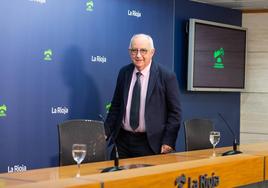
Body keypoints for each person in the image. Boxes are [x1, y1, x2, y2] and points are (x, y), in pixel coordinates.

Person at [104, 33, 181, 159]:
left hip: (151, 143)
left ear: (152, 52)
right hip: (122, 141)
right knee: (117, 177)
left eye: (143, 51)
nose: (138, 55)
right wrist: (106, 132)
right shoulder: (124, 73)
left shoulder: (166, 76)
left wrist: (168, 140)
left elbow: (175, 112)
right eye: (134, 50)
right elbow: (116, 106)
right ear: (130, 52)